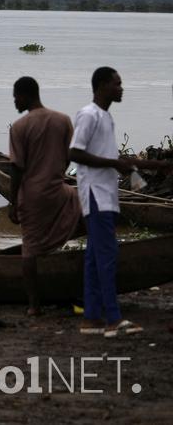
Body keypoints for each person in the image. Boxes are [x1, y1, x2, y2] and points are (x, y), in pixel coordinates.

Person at [69, 67, 141, 337]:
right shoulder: (89, 115)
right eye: (117, 84)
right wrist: (115, 163)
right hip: (96, 195)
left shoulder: (106, 117)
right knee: (107, 256)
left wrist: (131, 165)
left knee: (93, 258)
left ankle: (91, 319)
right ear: (101, 86)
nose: (121, 88)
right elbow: (75, 152)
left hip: (106, 194)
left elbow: (104, 157)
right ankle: (113, 317)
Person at [7, 76, 83, 316]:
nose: (15, 102)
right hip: (59, 190)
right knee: (81, 219)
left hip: (32, 195)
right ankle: (82, 279)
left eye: (15, 97)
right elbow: (69, 155)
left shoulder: (20, 127)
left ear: (24, 95)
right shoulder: (62, 120)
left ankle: (34, 306)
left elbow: (17, 168)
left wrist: (12, 202)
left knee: (29, 248)